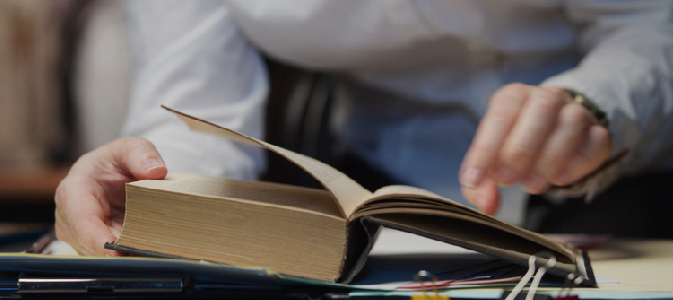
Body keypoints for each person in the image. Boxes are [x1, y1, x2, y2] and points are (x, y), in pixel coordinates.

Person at [55, 1, 673, 257]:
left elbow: (649, 19)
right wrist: (149, 180)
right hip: (377, 195)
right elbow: (199, 104)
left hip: (623, 164)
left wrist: (600, 102)